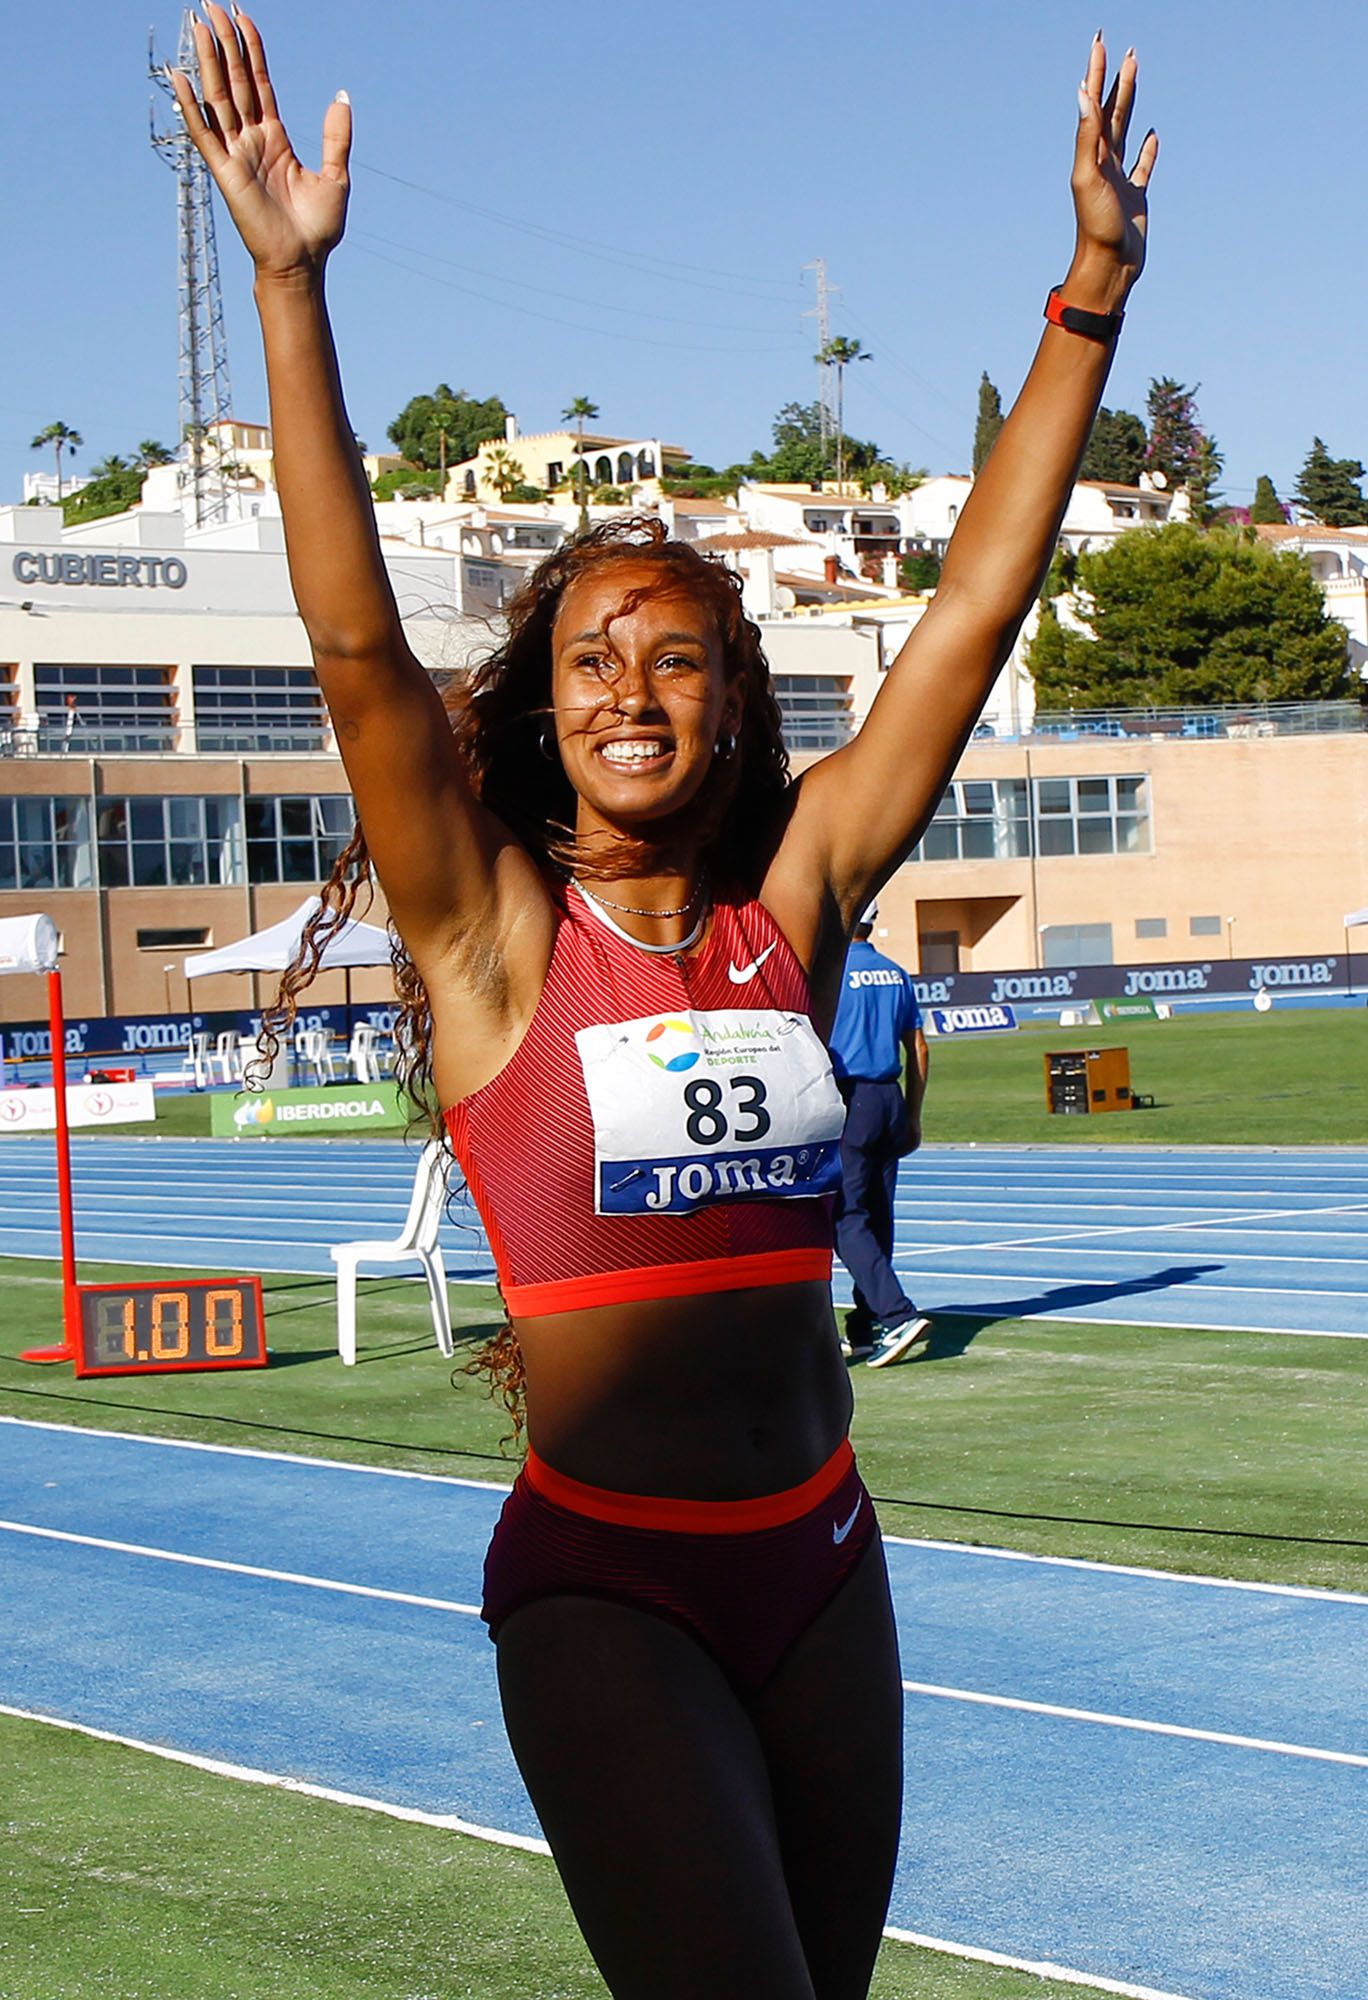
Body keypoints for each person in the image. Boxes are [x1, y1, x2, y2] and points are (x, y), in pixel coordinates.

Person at [170, 16, 1156, 1995]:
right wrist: (290, 287)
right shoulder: (492, 936)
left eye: (684, 659)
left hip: (826, 1562)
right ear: (545, 708)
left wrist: (1091, 302)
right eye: (598, 657)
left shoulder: (800, 901)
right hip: (611, 1588)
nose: (634, 688)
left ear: (739, 705)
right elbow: (356, 638)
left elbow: (969, 610)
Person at [829, 904, 931, 1367]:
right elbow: (919, 1047)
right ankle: (866, 1324)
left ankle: (896, 1314)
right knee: (878, 1212)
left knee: (846, 1217)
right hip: (890, 1095)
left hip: (851, 1098)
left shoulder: (831, 972)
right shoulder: (895, 973)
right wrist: (913, 1113)